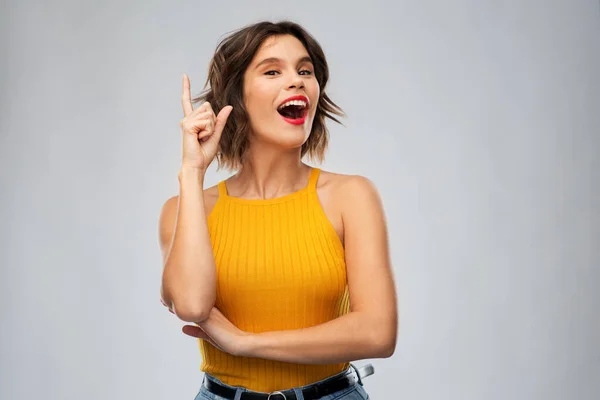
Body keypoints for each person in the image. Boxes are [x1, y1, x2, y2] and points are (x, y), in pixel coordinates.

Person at [158, 20, 397, 400]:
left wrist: (244, 343)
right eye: (273, 71)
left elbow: (378, 333)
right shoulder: (184, 209)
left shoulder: (352, 196)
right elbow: (191, 304)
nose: (297, 81)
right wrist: (191, 172)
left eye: (306, 71)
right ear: (235, 97)